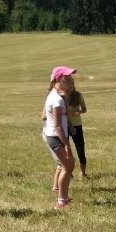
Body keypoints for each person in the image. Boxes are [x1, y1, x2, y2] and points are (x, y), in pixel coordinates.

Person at [45, 66, 76, 209]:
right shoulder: (56, 100)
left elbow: (65, 117)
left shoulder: (58, 96)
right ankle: (61, 201)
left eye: (70, 78)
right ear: (58, 79)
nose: (70, 80)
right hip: (56, 136)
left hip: (57, 135)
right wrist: (67, 145)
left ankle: (63, 197)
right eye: (66, 78)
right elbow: (57, 126)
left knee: (68, 165)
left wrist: (66, 99)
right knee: (67, 166)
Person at [67, 76, 89, 178]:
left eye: (72, 84)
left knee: (80, 149)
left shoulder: (78, 95)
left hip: (77, 125)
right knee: (66, 151)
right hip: (64, 125)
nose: (70, 86)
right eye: (68, 84)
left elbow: (84, 109)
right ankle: (68, 173)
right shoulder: (61, 96)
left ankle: (83, 173)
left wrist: (77, 112)